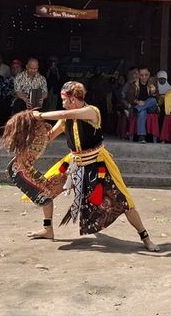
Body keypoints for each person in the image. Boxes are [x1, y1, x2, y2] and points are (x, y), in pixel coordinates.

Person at [15, 81, 159, 251]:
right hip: (73, 162)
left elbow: (65, 114)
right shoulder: (65, 119)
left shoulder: (91, 112)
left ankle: (146, 238)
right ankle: (48, 229)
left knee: (124, 200)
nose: (63, 103)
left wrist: (39, 116)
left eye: (64, 100)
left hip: (98, 164)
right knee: (46, 190)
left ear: (73, 99)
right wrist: (29, 143)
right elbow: (49, 137)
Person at [125, 67, 157, 143]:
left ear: (149, 74)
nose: (144, 77)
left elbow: (157, 98)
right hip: (141, 106)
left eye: (146, 75)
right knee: (142, 112)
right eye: (142, 75)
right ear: (138, 75)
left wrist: (154, 92)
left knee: (153, 100)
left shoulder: (152, 83)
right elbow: (129, 97)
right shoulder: (134, 84)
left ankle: (137, 109)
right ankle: (142, 137)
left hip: (151, 107)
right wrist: (137, 101)